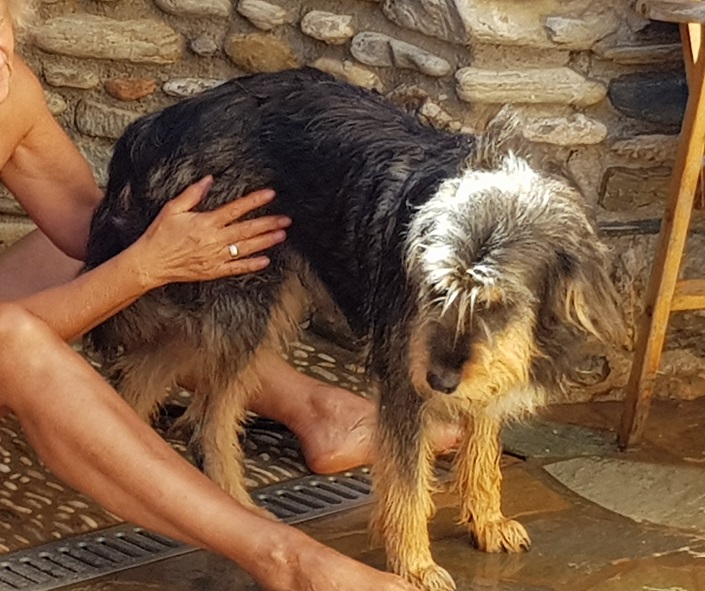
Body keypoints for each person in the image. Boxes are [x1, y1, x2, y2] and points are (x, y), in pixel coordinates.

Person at [0, 1, 426, 590]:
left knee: (117, 232)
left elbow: (83, 221)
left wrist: (189, 231)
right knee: (20, 342)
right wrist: (146, 267)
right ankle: (283, 558)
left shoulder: (7, 90)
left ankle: (312, 408)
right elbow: (12, 339)